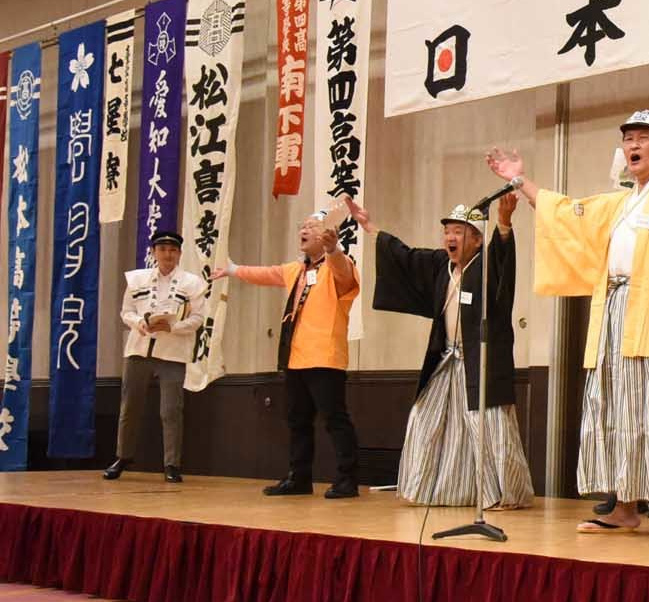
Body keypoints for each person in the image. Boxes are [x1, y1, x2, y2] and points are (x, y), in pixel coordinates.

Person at [486, 110, 649, 543]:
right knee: (615, 405)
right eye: (628, 138)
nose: (633, 145)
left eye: (643, 137)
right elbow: (564, 212)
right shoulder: (619, 202)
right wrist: (519, 180)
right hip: (613, 307)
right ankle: (625, 507)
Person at [350, 193, 534, 509]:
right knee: (423, 418)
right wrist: (370, 228)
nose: (450, 237)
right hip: (447, 360)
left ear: (477, 240)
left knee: (488, 427)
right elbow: (405, 256)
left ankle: (506, 492)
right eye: (447, 231)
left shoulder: (486, 266)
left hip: (482, 365)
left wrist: (504, 222)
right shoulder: (441, 266)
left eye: (458, 232)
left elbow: (503, 261)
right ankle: (440, 490)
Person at [213, 210, 361, 499]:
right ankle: (299, 477)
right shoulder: (297, 269)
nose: (303, 230)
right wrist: (233, 269)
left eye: (311, 227)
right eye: (302, 226)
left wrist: (333, 249)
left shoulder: (337, 267)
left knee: (335, 420)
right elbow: (267, 274)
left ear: (325, 234)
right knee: (297, 421)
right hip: (294, 357)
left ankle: (347, 479)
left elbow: (343, 271)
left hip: (325, 357)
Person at [104, 230, 208, 483]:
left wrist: (173, 327)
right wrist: (139, 322)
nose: (167, 255)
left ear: (179, 253)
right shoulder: (137, 279)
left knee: (171, 410)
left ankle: (171, 463)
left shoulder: (192, 283)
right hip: (139, 349)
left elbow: (198, 318)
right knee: (130, 406)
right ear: (153, 252)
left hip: (173, 353)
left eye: (172, 250)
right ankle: (123, 456)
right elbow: (126, 311)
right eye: (162, 250)